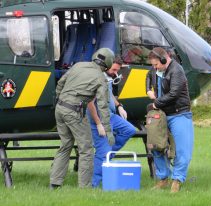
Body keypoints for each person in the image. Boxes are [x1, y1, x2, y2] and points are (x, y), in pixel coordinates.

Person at [50, 48, 115, 189]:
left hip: (60, 108)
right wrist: (108, 131)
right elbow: (103, 107)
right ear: (108, 65)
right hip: (74, 112)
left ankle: (55, 183)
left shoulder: (78, 65)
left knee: (65, 145)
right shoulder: (101, 78)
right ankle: (85, 187)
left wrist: (61, 98)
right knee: (86, 149)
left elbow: (60, 82)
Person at [148, 47, 194, 193]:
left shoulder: (177, 71)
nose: (154, 68)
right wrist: (148, 89)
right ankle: (163, 179)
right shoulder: (156, 69)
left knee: (183, 150)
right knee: (156, 145)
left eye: (156, 65)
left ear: (164, 59)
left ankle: (177, 180)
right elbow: (149, 76)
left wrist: (155, 103)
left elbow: (174, 93)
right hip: (161, 114)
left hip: (179, 114)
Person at [87, 56, 136, 188]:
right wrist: (98, 124)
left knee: (130, 130)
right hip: (98, 119)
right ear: (107, 65)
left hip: (111, 116)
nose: (115, 72)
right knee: (103, 152)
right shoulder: (95, 78)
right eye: (114, 69)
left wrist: (119, 106)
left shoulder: (107, 78)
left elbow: (110, 93)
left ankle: (106, 155)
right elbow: (89, 103)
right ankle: (94, 184)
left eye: (117, 70)